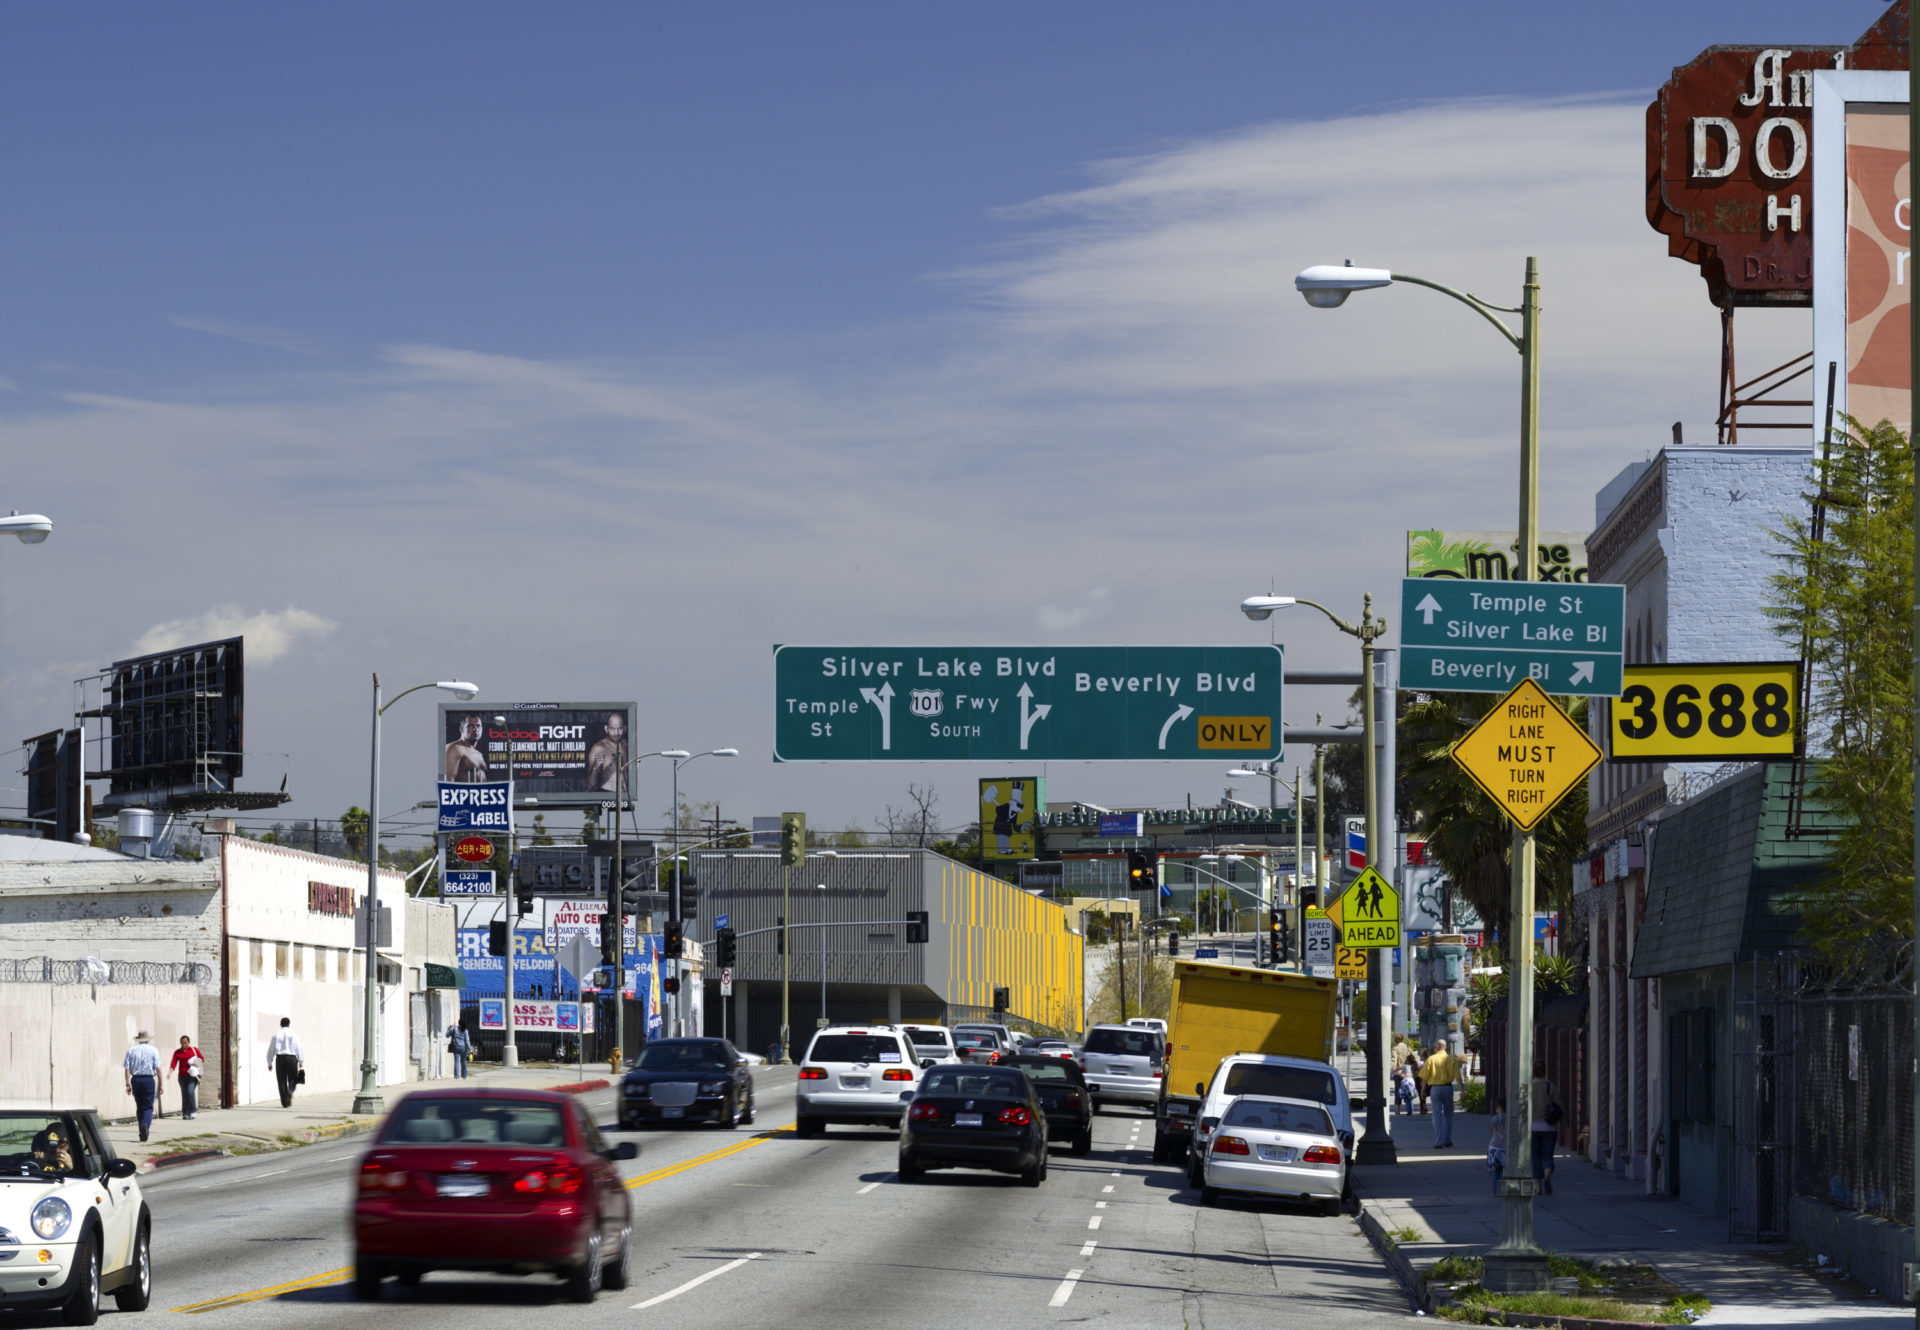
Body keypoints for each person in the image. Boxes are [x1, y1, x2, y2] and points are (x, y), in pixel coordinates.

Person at [1420, 1040, 1463, 1149]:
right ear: (1445, 1047)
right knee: (1448, 1114)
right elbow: (1458, 1077)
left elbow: (1424, 1077)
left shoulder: (1431, 1059)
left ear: (1437, 1047)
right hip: (1448, 1088)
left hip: (1435, 1089)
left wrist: (1422, 1091)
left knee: (1436, 1114)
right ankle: (1447, 1140)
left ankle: (1439, 1141)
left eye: (1435, 1047)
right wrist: (1462, 1091)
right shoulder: (1451, 1060)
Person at [124, 1031, 162, 1142]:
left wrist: (127, 1084)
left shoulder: (131, 1051)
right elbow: (158, 1069)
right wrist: (161, 1084)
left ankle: (142, 1131)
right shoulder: (153, 1050)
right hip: (148, 1079)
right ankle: (145, 1125)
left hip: (136, 1079)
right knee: (148, 1106)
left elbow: (127, 1069)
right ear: (147, 1040)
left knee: (139, 1106)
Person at [1530, 1059, 1559, 1194]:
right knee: (1548, 1154)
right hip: (1549, 1127)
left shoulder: (1528, 1087)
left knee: (1535, 1156)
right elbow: (1559, 1105)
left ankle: (1538, 1186)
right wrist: (1564, 1123)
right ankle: (1547, 1173)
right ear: (1545, 1071)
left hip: (1533, 1127)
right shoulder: (1551, 1086)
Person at [267, 1017, 305, 1108]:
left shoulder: (276, 1035)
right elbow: (298, 1048)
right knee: (293, 1079)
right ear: (289, 1024)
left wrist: (269, 1062)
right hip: (292, 1058)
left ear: (281, 1024)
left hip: (280, 1059)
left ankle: (284, 1102)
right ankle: (290, 1092)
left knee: (281, 1080)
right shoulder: (293, 1034)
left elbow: (271, 1049)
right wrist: (301, 1061)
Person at [586, 712, 629, 792]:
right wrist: (595, 768)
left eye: (620, 728)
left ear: (625, 728)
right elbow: (590, 785)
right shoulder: (598, 748)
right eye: (612, 728)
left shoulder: (627, 745)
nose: (616, 733)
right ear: (606, 729)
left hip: (626, 795)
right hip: (608, 795)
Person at [167, 1034, 204, 1120]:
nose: (183, 1045)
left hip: (192, 1076)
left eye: (185, 1043)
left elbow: (202, 1059)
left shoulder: (194, 1050)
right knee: (184, 1094)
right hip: (182, 1076)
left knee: (190, 1091)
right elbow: (173, 1063)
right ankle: (186, 1113)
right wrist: (170, 1072)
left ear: (189, 1042)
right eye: (182, 1043)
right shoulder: (177, 1052)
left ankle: (193, 1110)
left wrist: (195, 1062)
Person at [444, 714, 489, 782]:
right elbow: (448, 780)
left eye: (478, 726)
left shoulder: (478, 754)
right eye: (471, 726)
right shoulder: (454, 748)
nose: (475, 729)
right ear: (462, 729)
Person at [1486, 1099, 1507, 1193]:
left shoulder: (1494, 1119)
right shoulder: (1509, 1118)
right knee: (1506, 1171)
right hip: (1505, 1147)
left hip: (1494, 1147)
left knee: (1496, 1172)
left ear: (1499, 1108)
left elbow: (1492, 1131)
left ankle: (1496, 1190)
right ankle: (1505, 1189)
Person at [1405, 1045, 1430, 1115]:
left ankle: (1423, 1109)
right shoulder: (1422, 1063)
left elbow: (1413, 1075)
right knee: (1424, 1094)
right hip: (1424, 1079)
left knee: (1421, 1095)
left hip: (1418, 1080)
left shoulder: (1414, 1066)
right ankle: (1424, 1109)